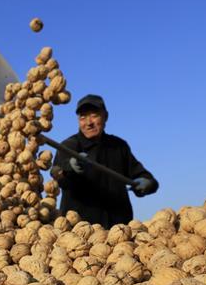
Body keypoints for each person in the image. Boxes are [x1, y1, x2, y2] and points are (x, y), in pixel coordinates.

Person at [51, 94, 158, 227]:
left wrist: (148, 183)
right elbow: (58, 173)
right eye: (83, 117)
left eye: (94, 115)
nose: (89, 123)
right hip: (81, 231)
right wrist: (69, 167)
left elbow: (141, 174)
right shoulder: (69, 146)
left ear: (105, 116)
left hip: (119, 230)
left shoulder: (119, 146)